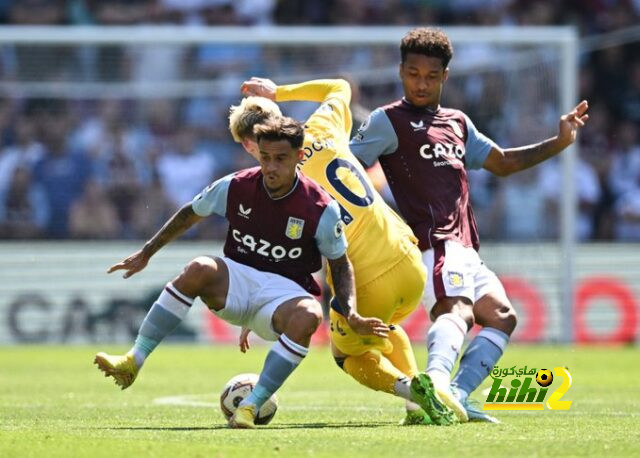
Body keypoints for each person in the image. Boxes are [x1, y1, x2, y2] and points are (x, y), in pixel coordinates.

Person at [348, 27, 589, 423]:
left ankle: (455, 393)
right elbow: (347, 167)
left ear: (445, 76)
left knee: (501, 316)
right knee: (456, 309)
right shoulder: (386, 120)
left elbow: (504, 163)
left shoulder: (458, 122)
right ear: (400, 72)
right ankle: (437, 383)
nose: (420, 83)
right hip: (432, 244)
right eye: (412, 73)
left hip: (465, 246)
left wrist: (559, 142)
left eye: (430, 75)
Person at [94, 117, 387, 429]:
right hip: (236, 280)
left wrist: (351, 312)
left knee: (310, 314)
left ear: (299, 157)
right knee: (199, 267)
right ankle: (133, 359)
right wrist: (147, 252)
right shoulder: (235, 186)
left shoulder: (320, 208)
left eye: (281, 159)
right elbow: (190, 213)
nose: (271, 167)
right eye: (265, 158)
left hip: (284, 295)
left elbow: (340, 264)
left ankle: (251, 405)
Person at [232, 78, 463, 425]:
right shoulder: (322, 127)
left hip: (365, 278)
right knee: (381, 328)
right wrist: (277, 91)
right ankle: (420, 405)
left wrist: (258, 308)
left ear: (251, 145)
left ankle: (414, 390)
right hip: (408, 257)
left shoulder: (274, 187)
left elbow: (282, 260)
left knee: (347, 356)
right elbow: (339, 86)